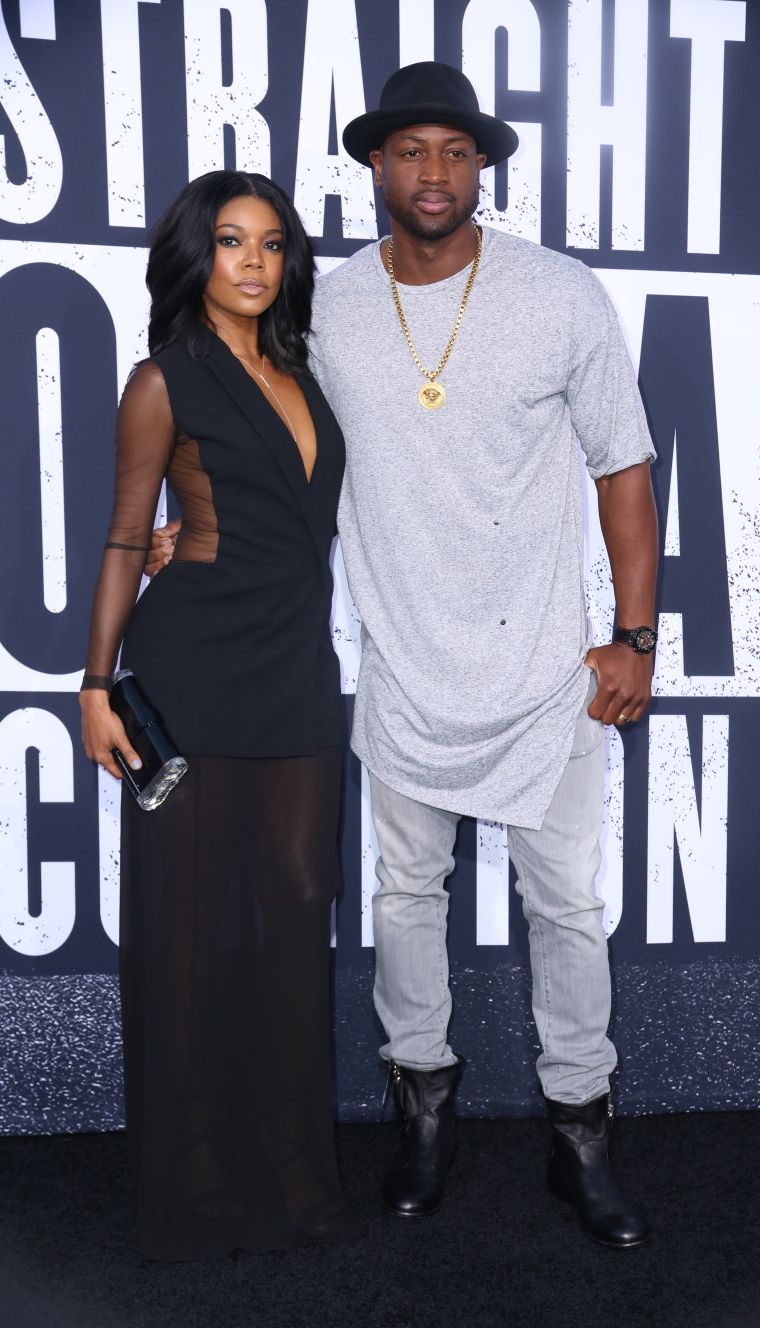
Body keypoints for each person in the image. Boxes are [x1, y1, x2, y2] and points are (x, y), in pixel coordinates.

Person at [151, 63, 659, 1249]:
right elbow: (251, 421)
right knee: (403, 899)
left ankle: (580, 1134)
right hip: (401, 660)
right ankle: (423, 1113)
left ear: (481, 168)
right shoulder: (322, 308)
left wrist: (634, 634)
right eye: (411, 150)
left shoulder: (559, 294)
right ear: (374, 165)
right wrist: (192, 526)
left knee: (567, 905)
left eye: (455, 151)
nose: (434, 172)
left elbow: (623, 469)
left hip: (545, 665)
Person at [80, 170, 361, 1261]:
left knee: (296, 905)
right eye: (233, 241)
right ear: (198, 256)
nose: (254, 261)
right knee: (190, 925)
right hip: (188, 671)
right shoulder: (163, 379)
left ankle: (290, 1158)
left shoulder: (304, 373)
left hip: (296, 668)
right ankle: (191, 1169)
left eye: (273, 243)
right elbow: (125, 535)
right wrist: (94, 685)